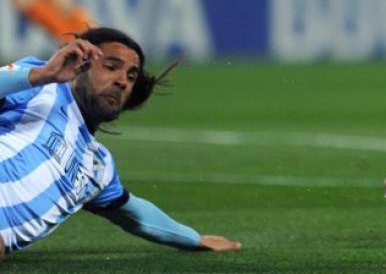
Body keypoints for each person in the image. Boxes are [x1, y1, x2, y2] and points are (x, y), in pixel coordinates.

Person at [0, 27, 241, 259]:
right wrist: (42, 75)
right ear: (80, 64)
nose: (122, 81)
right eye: (111, 67)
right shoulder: (40, 86)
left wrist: (194, 238)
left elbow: (136, 216)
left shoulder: (98, 166)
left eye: (131, 75)